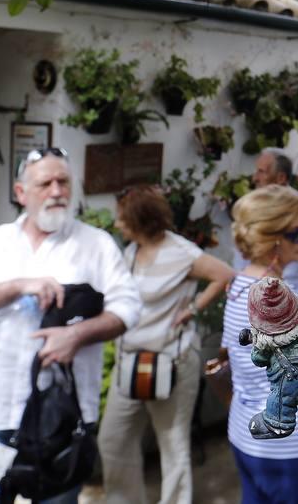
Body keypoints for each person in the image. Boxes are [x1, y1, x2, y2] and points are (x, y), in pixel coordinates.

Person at [0, 147, 141, 504]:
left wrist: (76, 335)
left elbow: (128, 309)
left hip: (62, 416)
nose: (57, 191)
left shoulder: (96, 245)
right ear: (21, 193)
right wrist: (17, 286)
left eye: (63, 182)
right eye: (45, 183)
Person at [98, 185, 237, 504]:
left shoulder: (181, 252)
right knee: (113, 441)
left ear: (140, 220)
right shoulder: (131, 251)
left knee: (172, 444)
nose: (118, 224)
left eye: (122, 219)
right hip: (130, 362)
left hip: (171, 362)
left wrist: (192, 309)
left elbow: (225, 274)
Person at [223, 185, 298, 504]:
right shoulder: (286, 305)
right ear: (275, 240)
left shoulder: (237, 290)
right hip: (294, 450)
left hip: (246, 437)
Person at [236, 148, 298, 313]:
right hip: (262, 303)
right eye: (296, 233)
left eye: (261, 172)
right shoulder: (252, 210)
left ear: (281, 177)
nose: (255, 178)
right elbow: (242, 255)